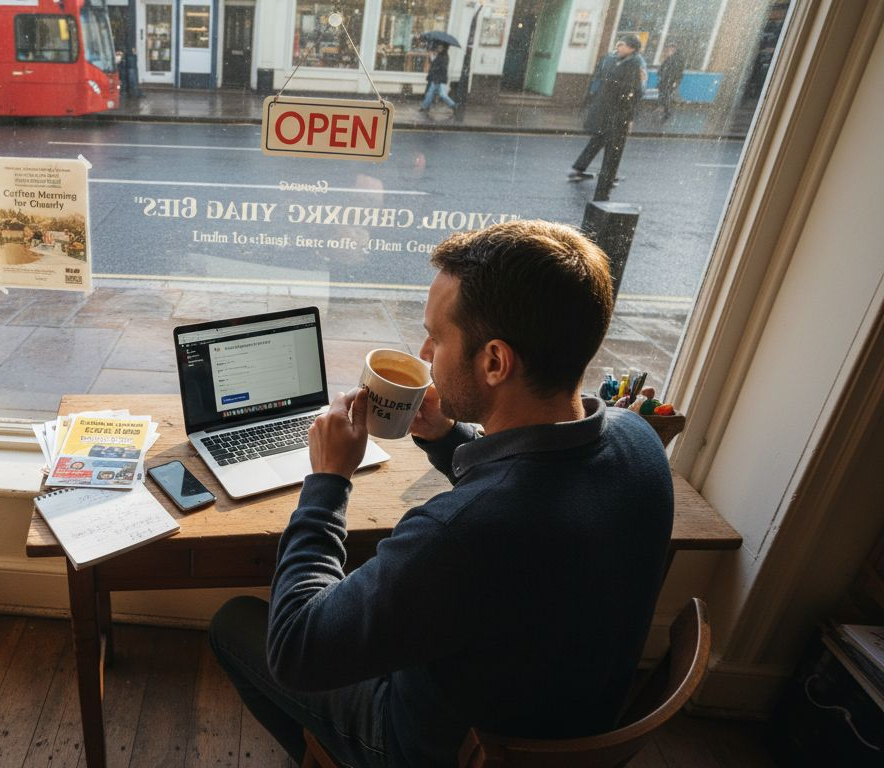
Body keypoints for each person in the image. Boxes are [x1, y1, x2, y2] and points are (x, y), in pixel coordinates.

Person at [208, 219, 674, 767]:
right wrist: (448, 436)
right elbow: (532, 486)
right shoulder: (640, 441)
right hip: (562, 715)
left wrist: (328, 483)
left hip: (432, 749)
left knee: (235, 623)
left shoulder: (459, 534)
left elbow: (295, 649)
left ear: (494, 362)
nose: (425, 352)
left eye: (437, 337)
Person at [568, 35, 645, 199]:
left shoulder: (636, 64)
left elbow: (635, 93)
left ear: (632, 48)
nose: (618, 47)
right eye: (618, 44)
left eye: (622, 45)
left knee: (610, 147)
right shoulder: (613, 59)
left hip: (618, 114)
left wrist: (630, 117)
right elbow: (601, 81)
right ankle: (593, 175)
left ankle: (603, 179)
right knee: (603, 144)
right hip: (606, 112)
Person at [418, 43, 456, 114]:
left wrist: (434, 62)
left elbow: (442, 69)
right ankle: (424, 106)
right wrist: (433, 58)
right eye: (438, 47)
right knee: (430, 93)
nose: (438, 49)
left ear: (444, 48)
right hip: (436, 78)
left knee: (442, 94)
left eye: (440, 47)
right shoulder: (440, 55)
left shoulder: (444, 57)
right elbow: (434, 64)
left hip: (440, 79)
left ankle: (453, 105)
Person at [658, 42, 685, 121]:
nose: (668, 50)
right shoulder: (669, 58)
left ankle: (667, 112)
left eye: (670, 48)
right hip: (665, 80)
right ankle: (663, 108)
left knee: (666, 95)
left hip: (670, 81)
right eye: (668, 48)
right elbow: (663, 67)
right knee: (663, 94)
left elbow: (678, 72)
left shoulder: (677, 59)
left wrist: (675, 81)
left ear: (674, 49)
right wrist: (660, 73)